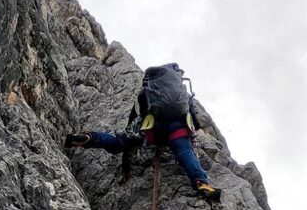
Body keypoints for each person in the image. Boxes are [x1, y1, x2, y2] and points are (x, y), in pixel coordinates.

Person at [65, 63, 222, 202]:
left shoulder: (145, 93)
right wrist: (193, 130)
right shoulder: (182, 93)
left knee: (119, 142)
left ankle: (89, 138)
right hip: (177, 128)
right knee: (185, 152)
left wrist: (126, 158)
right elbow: (192, 116)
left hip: (151, 128)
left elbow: (133, 119)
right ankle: (202, 184)